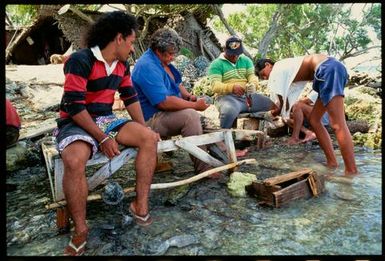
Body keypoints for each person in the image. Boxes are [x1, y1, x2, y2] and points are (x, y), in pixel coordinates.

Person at [54, 11, 159, 256]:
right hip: (75, 120)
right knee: (74, 159)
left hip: (105, 118)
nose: (133, 48)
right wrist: (102, 138)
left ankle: (139, 206)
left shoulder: (122, 65)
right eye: (132, 42)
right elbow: (74, 105)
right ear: (119, 38)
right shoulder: (81, 60)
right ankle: (80, 229)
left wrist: (143, 128)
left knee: (148, 138)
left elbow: (129, 96)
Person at [131, 28, 220, 178]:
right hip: (150, 119)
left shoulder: (162, 62)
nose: (173, 57)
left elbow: (175, 83)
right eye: (171, 54)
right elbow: (163, 103)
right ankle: (203, 169)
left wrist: (188, 96)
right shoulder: (147, 66)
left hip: (165, 113)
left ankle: (224, 153)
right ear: (158, 51)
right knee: (190, 116)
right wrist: (194, 106)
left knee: (204, 121)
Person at [255, 54, 357, 175]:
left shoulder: (277, 68)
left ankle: (351, 171)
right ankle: (332, 163)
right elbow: (284, 102)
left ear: (268, 64)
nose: (266, 78)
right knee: (314, 120)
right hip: (327, 72)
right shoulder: (286, 68)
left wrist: (272, 114)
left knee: (337, 124)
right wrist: (278, 111)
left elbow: (281, 102)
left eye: (263, 74)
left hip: (328, 69)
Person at [207, 35, 280, 129]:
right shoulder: (216, 64)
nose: (235, 56)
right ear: (224, 49)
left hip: (248, 97)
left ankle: (277, 129)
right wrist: (232, 88)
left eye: (237, 53)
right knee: (229, 111)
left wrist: (253, 84)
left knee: (274, 106)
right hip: (227, 98)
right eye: (231, 54)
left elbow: (252, 76)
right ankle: (223, 137)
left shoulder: (246, 60)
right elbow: (215, 86)